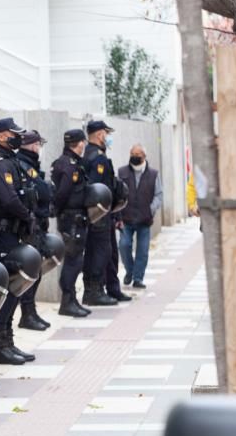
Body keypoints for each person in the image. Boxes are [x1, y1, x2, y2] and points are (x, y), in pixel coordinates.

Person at [0, 117, 37, 365]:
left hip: (15, 232)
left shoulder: (11, 161)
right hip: (3, 235)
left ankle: (8, 341)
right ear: (1, 136)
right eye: (13, 133)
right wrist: (27, 215)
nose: (17, 137)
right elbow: (9, 199)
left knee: (15, 289)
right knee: (6, 288)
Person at [50, 129, 92, 318]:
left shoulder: (71, 162)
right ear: (80, 143)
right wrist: (59, 212)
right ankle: (67, 301)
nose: (84, 145)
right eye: (83, 142)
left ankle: (72, 299)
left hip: (75, 218)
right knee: (73, 261)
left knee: (76, 260)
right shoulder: (68, 164)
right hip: (71, 219)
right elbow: (62, 193)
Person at [15, 130, 53, 331]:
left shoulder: (30, 165)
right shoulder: (23, 165)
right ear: (31, 145)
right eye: (38, 144)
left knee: (36, 271)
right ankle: (27, 314)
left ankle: (31, 312)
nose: (40, 149)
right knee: (31, 271)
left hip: (37, 224)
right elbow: (38, 192)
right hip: (30, 226)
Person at [82, 121, 121, 306]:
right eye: (106, 132)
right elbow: (96, 188)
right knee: (100, 252)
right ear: (99, 135)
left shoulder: (89, 154)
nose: (108, 136)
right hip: (99, 214)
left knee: (101, 251)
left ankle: (101, 289)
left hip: (101, 213)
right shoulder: (97, 157)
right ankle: (94, 291)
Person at [117, 144, 163, 289]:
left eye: (138, 154)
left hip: (144, 219)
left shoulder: (154, 174)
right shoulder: (122, 172)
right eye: (132, 154)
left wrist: (151, 209)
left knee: (142, 251)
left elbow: (159, 195)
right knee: (124, 246)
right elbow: (117, 192)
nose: (135, 157)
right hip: (126, 217)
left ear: (144, 156)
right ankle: (130, 271)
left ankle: (138, 278)